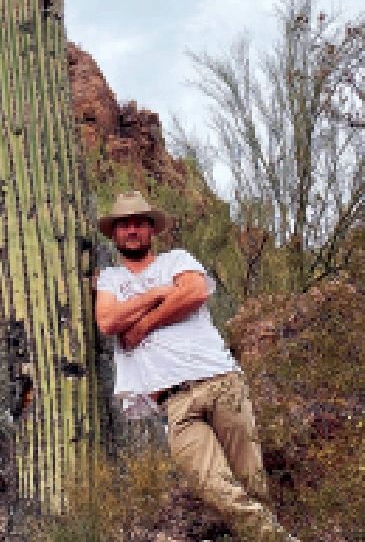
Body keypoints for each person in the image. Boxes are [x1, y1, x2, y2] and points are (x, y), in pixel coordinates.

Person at [95, 191, 298, 542]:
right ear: (114, 233)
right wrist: (156, 295)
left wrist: (142, 325)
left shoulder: (176, 259)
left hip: (219, 380)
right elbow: (109, 321)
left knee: (251, 482)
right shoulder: (111, 280)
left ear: (151, 231)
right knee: (212, 484)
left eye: (139, 224)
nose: (131, 230)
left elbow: (194, 292)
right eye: (124, 224)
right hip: (173, 403)